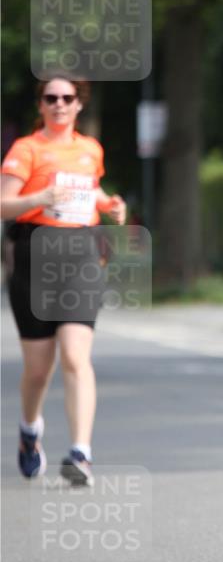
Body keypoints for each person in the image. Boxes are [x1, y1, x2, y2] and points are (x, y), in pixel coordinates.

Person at [1, 74, 126, 486]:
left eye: (66, 97)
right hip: (36, 256)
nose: (58, 104)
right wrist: (37, 199)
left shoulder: (90, 150)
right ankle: (29, 429)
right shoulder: (26, 150)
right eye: (50, 97)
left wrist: (111, 204)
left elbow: (91, 192)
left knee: (75, 356)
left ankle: (80, 453)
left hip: (81, 256)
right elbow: (4, 205)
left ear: (78, 105)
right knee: (39, 370)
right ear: (41, 105)